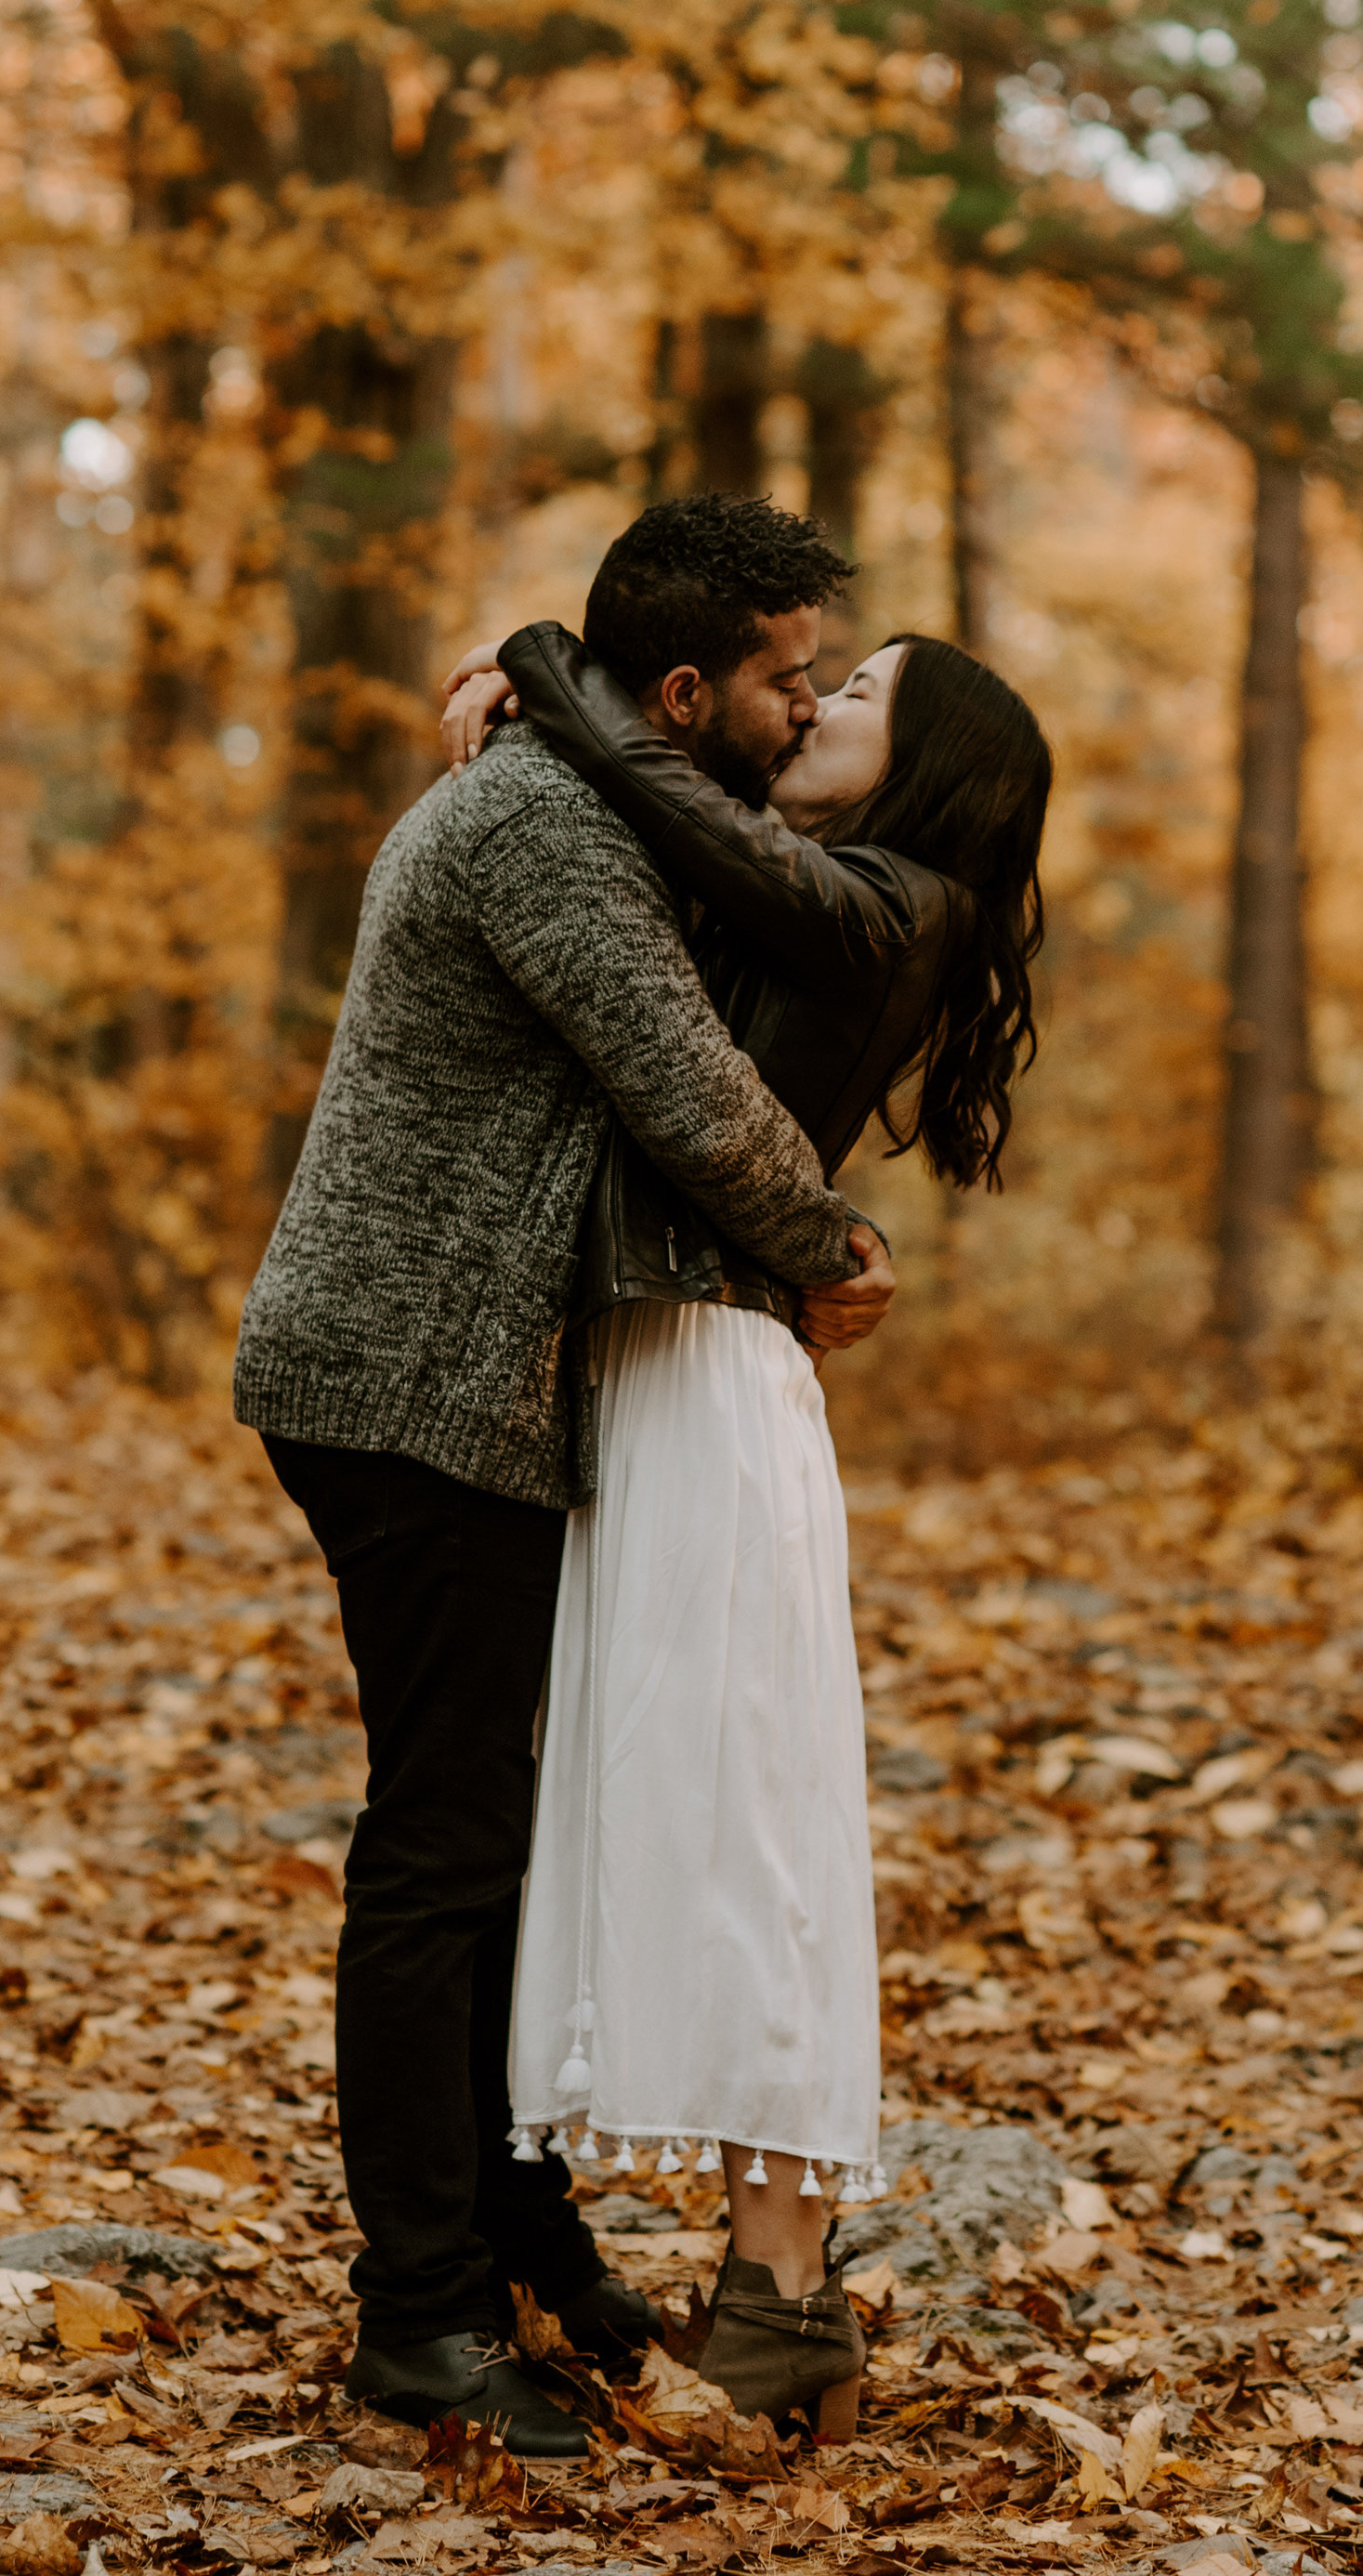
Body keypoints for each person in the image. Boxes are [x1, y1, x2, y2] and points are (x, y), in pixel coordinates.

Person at [232, 497, 898, 2460]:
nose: (801, 706)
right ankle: (415, 2322)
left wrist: (510, 660)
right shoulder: (544, 828)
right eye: (788, 675)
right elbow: (682, 1083)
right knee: (443, 1846)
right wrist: (826, 1241)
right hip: (399, 1377)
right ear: (685, 690)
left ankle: (518, 2243)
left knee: (497, 1840)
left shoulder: (590, 798)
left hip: (459, 1382)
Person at [439, 581, 1053, 2445]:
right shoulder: (799, 892)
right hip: (669, 1362)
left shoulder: (898, 900)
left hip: (712, 1383)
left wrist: (551, 672)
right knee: (682, 1811)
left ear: (923, 760)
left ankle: (782, 2291)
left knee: (752, 1825)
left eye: (851, 692)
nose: (810, 707)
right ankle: (751, 2279)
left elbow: (692, 824)